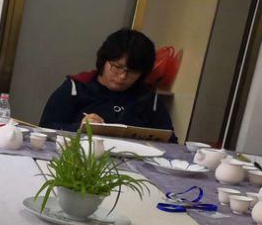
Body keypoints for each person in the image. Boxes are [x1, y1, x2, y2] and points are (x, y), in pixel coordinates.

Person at [39, 28, 176, 141]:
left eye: (133, 72)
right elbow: (44, 128)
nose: (122, 76)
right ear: (104, 61)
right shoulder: (76, 88)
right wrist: (78, 128)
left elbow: (171, 141)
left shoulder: (148, 99)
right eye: (117, 67)